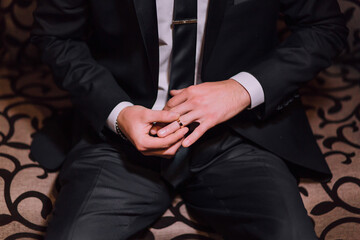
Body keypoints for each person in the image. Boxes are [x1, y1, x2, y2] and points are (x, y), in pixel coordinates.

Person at [30, 0, 348, 239]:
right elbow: (57, 36)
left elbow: (324, 27)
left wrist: (241, 90)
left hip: (239, 133)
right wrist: (118, 112)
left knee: (289, 233)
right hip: (121, 138)